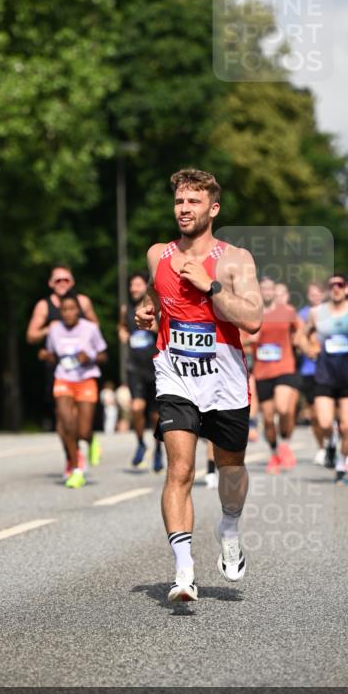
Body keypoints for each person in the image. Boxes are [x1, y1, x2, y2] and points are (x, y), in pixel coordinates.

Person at [135, 167, 262, 604]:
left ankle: (228, 525)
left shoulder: (234, 260)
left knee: (230, 470)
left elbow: (252, 319)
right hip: (175, 374)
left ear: (214, 208)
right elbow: (157, 296)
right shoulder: (158, 254)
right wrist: (147, 311)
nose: (184, 209)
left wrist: (209, 286)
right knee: (181, 470)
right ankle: (183, 571)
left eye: (193, 202)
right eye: (179, 202)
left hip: (225, 378)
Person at [304, 274, 348, 484]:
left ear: (347, 289)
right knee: (325, 422)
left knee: (347, 425)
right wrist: (308, 347)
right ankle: (332, 441)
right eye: (332, 285)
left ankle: (342, 462)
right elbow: (301, 334)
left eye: (340, 285)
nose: (336, 288)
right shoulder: (317, 313)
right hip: (325, 375)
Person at [39, 293, 107, 488]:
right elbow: (53, 355)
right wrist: (46, 355)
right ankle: (76, 469)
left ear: (79, 310)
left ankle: (91, 440)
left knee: (83, 430)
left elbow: (103, 355)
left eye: (72, 309)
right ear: (60, 312)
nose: (68, 313)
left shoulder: (90, 329)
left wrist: (90, 356)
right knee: (67, 425)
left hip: (86, 379)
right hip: (64, 379)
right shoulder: (54, 330)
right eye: (64, 310)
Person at [26, 265, 99, 447]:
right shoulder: (44, 305)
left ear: (72, 282)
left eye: (66, 279)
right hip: (57, 367)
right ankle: (72, 460)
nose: (62, 283)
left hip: (83, 367)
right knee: (63, 420)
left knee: (80, 422)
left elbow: (95, 327)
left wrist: (82, 341)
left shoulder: (83, 302)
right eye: (58, 280)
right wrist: (50, 328)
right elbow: (31, 335)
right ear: (51, 283)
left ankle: (87, 438)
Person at [252, 278, 307, 475]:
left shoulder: (287, 311)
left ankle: (285, 444)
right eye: (263, 288)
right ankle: (274, 453)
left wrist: (299, 339)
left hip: (285, 366)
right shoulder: (252, 312)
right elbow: (240, 337)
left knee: (284, 408)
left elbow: (301, 328)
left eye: (270, 288)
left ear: (275, 291)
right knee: (267, 419)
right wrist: (250, 338)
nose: (267, 292)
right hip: (262, 371)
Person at [118, 271, 163, 473]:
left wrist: (154, 327)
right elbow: (121, 327)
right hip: (134, 367)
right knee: (136, 408)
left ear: (146, 287)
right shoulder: (125, 309)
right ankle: (140, 443)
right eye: (132, 285)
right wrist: (123, 333)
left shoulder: (153, 308)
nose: (134, 288)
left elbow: (165, 329)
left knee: (155, 415)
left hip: (154, 367)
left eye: (138, 285)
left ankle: (158, 449)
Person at [297, 282, 326, 464]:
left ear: (323, 294)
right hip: (309, 370)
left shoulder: (331, 312)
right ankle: (322, 447)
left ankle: (334, 441)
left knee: (332, 412)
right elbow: (298, 338)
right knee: (315, 414)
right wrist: (308, 348)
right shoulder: (302, 314)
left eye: (318, 293)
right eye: (311, 293)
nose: (315, 296)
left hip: (330, 369)